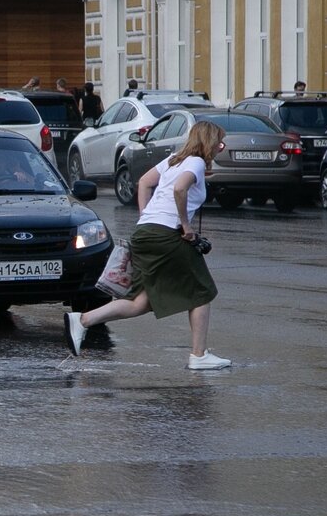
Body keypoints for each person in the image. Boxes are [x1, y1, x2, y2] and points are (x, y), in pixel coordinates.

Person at [63, 121, 231, 370]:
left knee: (141, 301)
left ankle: (83, 320)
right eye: (220, 142)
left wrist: (144, 217)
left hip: (145, 232)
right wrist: (186, 226)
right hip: (166, 235)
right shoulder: (195, 162)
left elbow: (143, 182)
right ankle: (198, 355)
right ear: (208, 142)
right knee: (201, 291)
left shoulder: (174, 159)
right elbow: (179, 188)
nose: (221, 147)